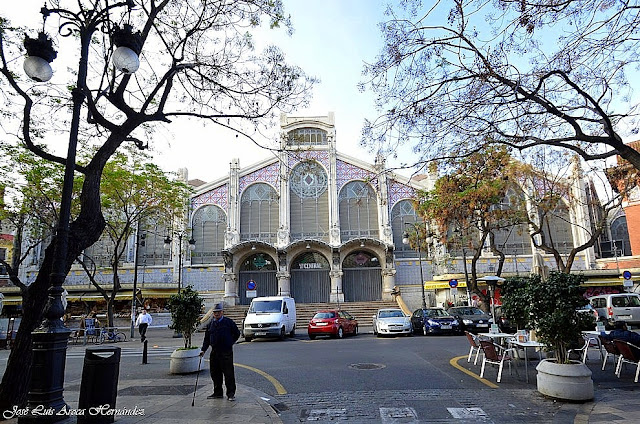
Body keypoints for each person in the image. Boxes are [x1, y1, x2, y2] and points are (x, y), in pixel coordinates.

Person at [200, 302, 241, 401]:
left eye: (218, 312)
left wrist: (230, 342)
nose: (216, 314)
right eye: (215, 312)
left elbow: (237, 333)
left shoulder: (228, 322)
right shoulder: (211, 324)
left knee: (228, 373)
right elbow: (207, 338)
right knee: (215, 373)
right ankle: (217, 392)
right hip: (214, 352)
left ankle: (230, 394)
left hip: (226, 352)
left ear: (222, 312)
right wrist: (203, 350)